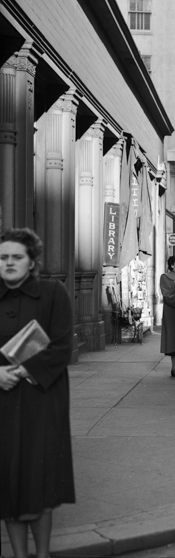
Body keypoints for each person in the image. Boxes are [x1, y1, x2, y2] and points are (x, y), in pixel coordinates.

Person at [0, 228, 75, 558]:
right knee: (6, 482)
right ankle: (19, 555)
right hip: (2, 400)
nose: (9, 263)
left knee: (38, 478)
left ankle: (41, 554)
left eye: (17, 257)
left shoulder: (52, 293)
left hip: (41, 400)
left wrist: (23, 370)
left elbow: (63, 345)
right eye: (3, 258)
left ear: (32, 262)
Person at [159, 255, 175, 377]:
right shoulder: (166, 277)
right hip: (172, 311)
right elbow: (167, 295)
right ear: (172, 265)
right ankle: (174, 366)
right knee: (173, 339)